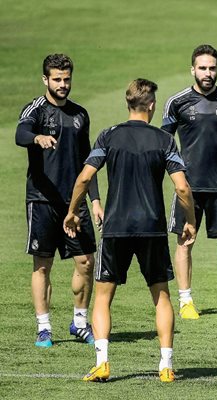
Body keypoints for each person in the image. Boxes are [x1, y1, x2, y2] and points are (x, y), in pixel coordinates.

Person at [63, 79, 196, 382]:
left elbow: (84, 179)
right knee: (161, 296)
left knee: (102, 298)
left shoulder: (109, 136)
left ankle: (102, 362)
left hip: (116, 228)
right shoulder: (163, 140)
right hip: (152, 229)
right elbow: (182, 187)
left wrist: (72, 212)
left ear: (128, 104)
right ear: (151, 105)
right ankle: (165, 366)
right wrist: (189, 219)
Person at [15, 54, 103, 348]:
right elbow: (20, 133)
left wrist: (95, 201)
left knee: (86, 262)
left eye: (67, 79)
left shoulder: (80, 115)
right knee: (43, 265)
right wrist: (36, 139)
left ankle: (79, 323)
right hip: (42, 201)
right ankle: (44, 328)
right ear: (46, 80)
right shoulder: (36, 110)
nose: (63, 84)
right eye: (57, 79)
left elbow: (88, 162)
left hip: (74, 202)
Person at [162, 44, 217, 319]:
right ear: (193, 70)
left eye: (212, 68)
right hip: (187, 186)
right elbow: (164, 144)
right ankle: (186, 301)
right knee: (185, 242)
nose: (208, 73)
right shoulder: (177, 103)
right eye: (203, 68)